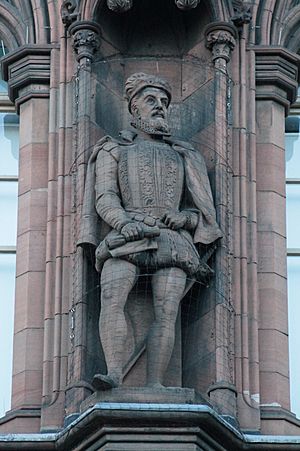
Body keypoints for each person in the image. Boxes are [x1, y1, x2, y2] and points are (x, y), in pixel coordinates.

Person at [78, 72, 222, 390]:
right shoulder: (112, 150)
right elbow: (105, 197)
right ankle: (115, 372)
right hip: (128, 234)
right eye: (151, 101)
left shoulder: (186, 155)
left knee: (167, 310)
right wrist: (124, 224)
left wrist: (185, 219)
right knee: (112, 296)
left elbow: (201, 212)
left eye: (164, 102)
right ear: (134, 109)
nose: (160, 107)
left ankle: (156, 383)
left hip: (173, 242)